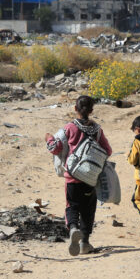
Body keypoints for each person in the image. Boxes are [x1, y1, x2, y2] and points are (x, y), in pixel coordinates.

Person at [45, 96, 112, 256]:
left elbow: (54, 148)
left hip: (72, 175)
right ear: (91, 110)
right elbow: (107, 150)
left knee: (72, 205)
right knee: (88, 209)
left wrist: (48, 138)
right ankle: (85, 242)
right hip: (90, 177)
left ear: (75, 109)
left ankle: (73, 228)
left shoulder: (68, 128)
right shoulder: (97, 129)